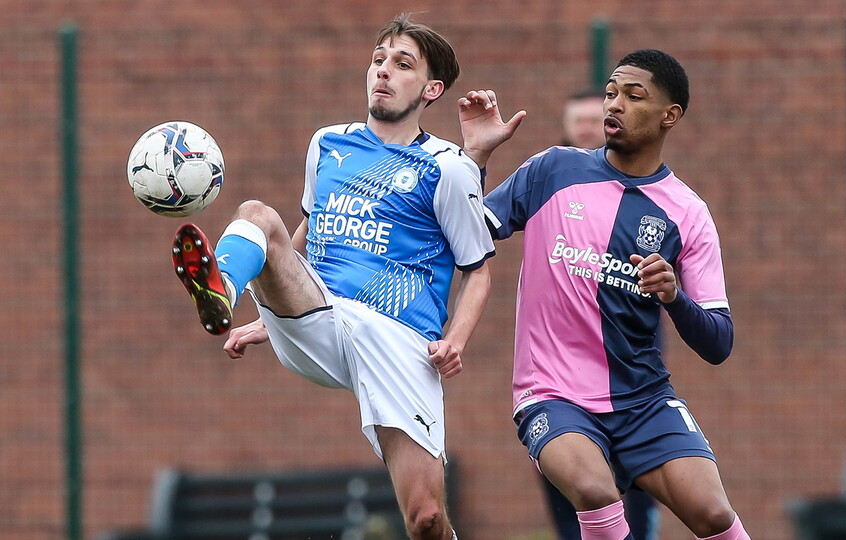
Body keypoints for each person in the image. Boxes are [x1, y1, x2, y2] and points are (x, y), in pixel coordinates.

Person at [172, 14, 493, 540]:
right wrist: (269, 309)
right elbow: (301, 233)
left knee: (426, 518)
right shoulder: (327, 143)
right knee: (257, 215)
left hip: (400, 339)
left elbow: (477, 271)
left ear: (431, 89)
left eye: (402, 64)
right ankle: (223, 288)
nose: (383, 71)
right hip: (322, 313)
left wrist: (455, 340)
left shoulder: (448, 166)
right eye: (378, 59)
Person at [458, 49, 751, 539]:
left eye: (634, 96)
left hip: (644, 400)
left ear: (670, 115)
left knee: (714, 514)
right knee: (596, 491)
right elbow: (464, 233)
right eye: (611, 93)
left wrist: (674, 297)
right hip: (552, 394)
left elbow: (719, 343)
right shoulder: (552, 171)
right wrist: (476, 158)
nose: (614, 104)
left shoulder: (688, 213)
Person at [542, 88, 661, 540]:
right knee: (574, 489)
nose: (589, 128)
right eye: (579, 121)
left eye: (596, 119)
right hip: (558, 377)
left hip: (627, 377)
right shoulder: (550, 182)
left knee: (636, 489)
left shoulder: (646, 194)